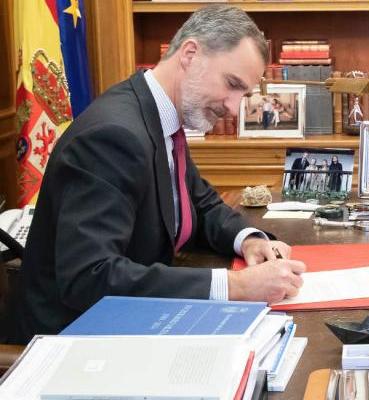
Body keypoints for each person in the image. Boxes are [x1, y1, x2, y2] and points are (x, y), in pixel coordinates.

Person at [7, 5, 306, 344]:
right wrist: (234, 286)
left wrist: (249, 239)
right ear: (190, 54)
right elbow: (90, 277)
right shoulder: (113, 136)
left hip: (134, 322)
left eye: (245, 94)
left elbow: (201, 204)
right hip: (70, 342)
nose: (234, 108)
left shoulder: (162, 117)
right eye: (232, 84)